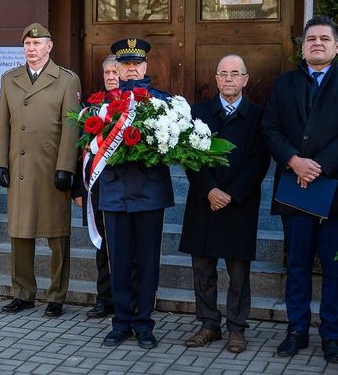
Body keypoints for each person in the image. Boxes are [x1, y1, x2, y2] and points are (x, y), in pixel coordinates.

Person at [179, 54, 269, 353]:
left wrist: (232, 193)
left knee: (238, 274)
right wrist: (210, 190)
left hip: (239, 205)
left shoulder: (258, 115)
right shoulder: (199, 111)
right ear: (215, 79)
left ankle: (237, 329)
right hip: (204, 202)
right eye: (223, 73)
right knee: (202, 269)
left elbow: (260, 159)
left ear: (245, 79)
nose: (229, 78)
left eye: (235, 73)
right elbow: (190, 155)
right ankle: (208, 325)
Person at [0, 23, 81, 318]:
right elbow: (1, 124)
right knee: (20, 234)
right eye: (27, 45)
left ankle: (56, 296)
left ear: (49, 47)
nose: (31, 49)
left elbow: (71, 127)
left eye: (37, 44)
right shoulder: (9, 78)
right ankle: (23, 293)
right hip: (19, 167)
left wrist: (67, 166)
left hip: (51, 168)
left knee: (57, 236)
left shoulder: (66, 80)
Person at [262, 15, 338, 364]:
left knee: (335, 270)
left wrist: (317, 165)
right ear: (303, 47)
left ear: (336, 46)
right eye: (311, 39)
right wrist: (294, 161)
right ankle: (296, 331)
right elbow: (270, 128)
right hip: (294, 190)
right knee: (297, 265)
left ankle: (332, 335)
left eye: (325, 38)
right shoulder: (284, 84)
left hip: (333, 193)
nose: (317, 43)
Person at [100, 38, 173, 349]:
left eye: (136, 64)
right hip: (116, 193)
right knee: (119, 261)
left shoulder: (164, 103)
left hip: (149, 194)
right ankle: (121, 323)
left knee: (146, 262)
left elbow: (173, 146)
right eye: (124, 64)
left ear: (145, 67)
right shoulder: (101, 106)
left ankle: (144, 323)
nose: (131, 69)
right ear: (117, 68)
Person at [72, 55, 118, 319]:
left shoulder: (134, 106)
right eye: (107, 72)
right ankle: (104, 299)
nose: (111, 76)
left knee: (123, 248)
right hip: (97, 188)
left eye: (115, 71)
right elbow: (81, 150)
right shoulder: (92, 107)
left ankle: (127, 297)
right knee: (101, 246)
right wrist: (79, 189)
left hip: (123, 190)